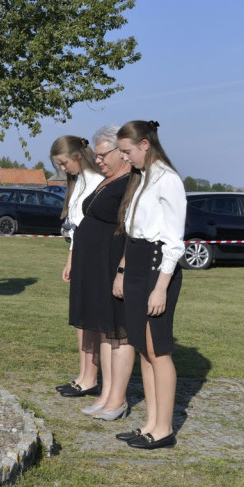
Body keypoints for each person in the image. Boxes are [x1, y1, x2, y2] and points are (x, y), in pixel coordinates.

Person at [112, 120, 186, 450]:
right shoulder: (141, 179)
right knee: (144, 348)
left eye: (127, 151)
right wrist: (123, 271)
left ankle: (165, 428)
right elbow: (132, 234)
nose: (124, 158)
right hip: (139, 264)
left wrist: (161, 287)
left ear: (145, 145)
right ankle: (151, 424)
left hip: (158, 268)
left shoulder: (168, 180)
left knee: (159, 349)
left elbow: (173, 241)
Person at [60, 127, 134, 420]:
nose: (98, 159)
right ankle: (105, 394)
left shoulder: (130, 182)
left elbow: (131, 229)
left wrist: (122, 270)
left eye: (104, 155)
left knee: (118, 332)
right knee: (104, 331)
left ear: (121, 152)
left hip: (111, 263)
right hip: (94, 264)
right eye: (98, 154)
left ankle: (117, 398)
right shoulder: (108, 180)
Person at [50, 136, 106, 398]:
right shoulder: (79, 182)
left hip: (95, 256)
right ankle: (83, 375)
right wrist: (70, 259)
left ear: (77, 156)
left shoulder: (97, 183)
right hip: (81, 253)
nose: (62, 168)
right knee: (81, 321)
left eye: (63, 162)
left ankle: (91, 378)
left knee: (91, 320)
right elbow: (74, 229)